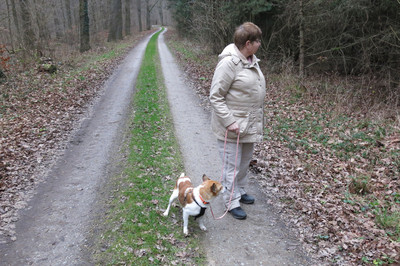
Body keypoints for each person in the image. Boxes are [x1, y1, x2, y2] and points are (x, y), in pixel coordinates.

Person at [209, 22, 266, 220]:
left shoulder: (251, 60)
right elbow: (215, 96)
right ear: (248, 43)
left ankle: (239, 191)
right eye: (258, 40)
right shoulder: (228, 63)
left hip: (249, 124)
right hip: (232, 127)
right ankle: (230, 200)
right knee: (231, 166)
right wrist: (229, 121)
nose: (260, 43)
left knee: (244, 162)